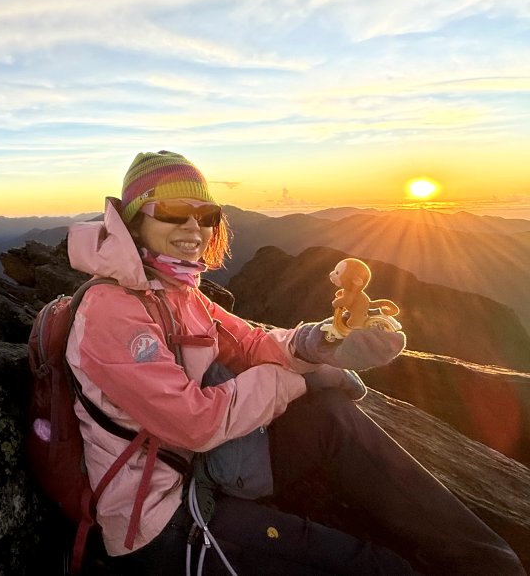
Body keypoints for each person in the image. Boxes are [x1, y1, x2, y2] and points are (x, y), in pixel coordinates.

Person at [65, 150, 524, 575]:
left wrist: (327, 339)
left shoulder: (179, 291)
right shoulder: (112, 309)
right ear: (132, 220)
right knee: (382, 567)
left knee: (331, 417)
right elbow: (194, 423)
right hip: (162, 517)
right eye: (170, 212)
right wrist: (299, 381)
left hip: (204, 467)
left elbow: (250, 343)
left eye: (207, 215)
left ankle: (492, 563)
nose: (194, 228)